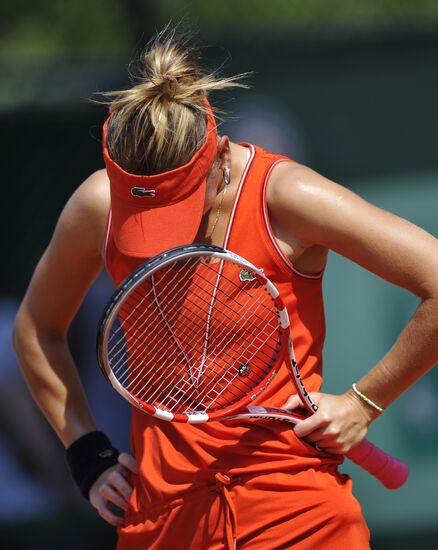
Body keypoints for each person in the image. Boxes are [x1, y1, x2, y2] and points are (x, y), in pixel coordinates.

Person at [13, 28, 438, 550]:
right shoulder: (96, 206)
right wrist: (86, 453)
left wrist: (363, 402)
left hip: (297, 517)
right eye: (140, 212)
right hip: (160, 523)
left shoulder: (288, 195)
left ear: (218, 159)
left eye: (175, 210)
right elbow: (36, 330)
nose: (155, 233)